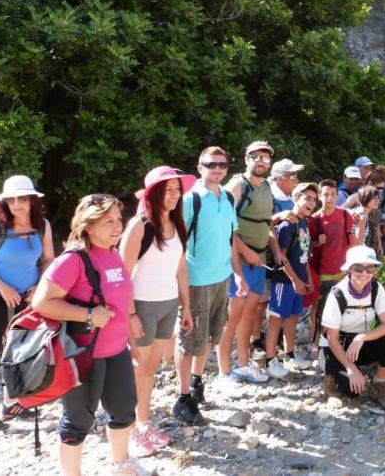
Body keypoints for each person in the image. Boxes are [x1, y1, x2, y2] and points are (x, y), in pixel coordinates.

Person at [32, 194, 147, 476]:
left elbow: (119, 304)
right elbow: (41, 303)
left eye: (119, 220)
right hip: (82, 355)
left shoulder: (113, 253)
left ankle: (121, 464)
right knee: (77, 422)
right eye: (108, 221)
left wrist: (131, 341)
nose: (117, 227)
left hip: (116, 350)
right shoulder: (73, 259)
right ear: (88, 226)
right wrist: (88, 315)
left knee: (124, 412)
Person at [120, 166, 195, 455]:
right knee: (136, 369)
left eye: (178, 189)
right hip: (141, 306)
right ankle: (127, 430)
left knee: (150, 368)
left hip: (167, 305)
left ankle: (143, 423)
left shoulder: (177, 224)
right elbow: (123, 273)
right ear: (154, 193)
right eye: (169, 189)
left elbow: (181, 269)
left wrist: (186, 306)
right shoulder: (139, 225)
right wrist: (129, 315)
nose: (175, 195)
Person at [0, 175, 54, 432]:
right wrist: (2, 287)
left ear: (32, 201)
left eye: (22, 199)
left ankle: (11, 404)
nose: (17, 204)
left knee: (20, 353)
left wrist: (40, 286)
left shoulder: (43, 226)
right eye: (12, 199)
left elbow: (49, 260)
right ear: (5, 202)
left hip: (28, 299)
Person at [174, 146, 239, 424]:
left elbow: (231, 239)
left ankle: (197, 381)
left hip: (221, 277)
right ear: (199, 167)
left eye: (222, 165)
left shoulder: (227, 198)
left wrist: (237, 274)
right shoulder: (191, 200)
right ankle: (183, 396)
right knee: (190, 341)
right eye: (211, 164)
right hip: (197, 280)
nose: (217, 169)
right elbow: (177, 243)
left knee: (211, 337)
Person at [220, 141, 288, 383]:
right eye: (256, 157)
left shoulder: (267, 186)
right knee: (233, 317)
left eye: (265, 158)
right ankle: (224, 372)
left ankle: (243, 364)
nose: (261, 161)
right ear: (246, 159)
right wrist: (245, 250)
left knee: (248, 315)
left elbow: (266, 223)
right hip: (238, 261)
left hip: (258, 261)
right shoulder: (239, 184)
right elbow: (223, 224)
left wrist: (275, 249)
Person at [321, 246, 385, 412]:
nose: (364, 273)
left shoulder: (376, 289)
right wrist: (351, 368)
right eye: (358, 268)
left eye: (370, 268)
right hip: (337, 345)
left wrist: (361, 337)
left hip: (360, 342)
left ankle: (378, 386)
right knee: (352, 392)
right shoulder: (337, 294)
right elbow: (331, 338)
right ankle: (331, 380)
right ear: (349, 269)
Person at [265, 182, 318, 379]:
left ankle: (289, 355)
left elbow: (304, 253)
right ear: (296, 199)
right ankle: (270, 360)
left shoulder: (304, 223)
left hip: (299, 280)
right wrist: (295, 280)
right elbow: (282, 257)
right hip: (285, 281)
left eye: (314, 199)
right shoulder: (287, 225)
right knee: (276, 320)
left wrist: (308, 278)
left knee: (293, 318)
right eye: (307, 198)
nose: (311, 203)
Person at [308, 179, 359, 361]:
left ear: (338, 196)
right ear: (320, 197)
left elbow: (353, 241)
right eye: (325, 195)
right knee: (318, 308)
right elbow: (306, 246)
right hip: (322, 271)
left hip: (343, 271)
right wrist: (315, 242)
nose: (329, 198)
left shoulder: (345, 215)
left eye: (332, 195)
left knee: (342, 308)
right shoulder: (314, 220)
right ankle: (315, 342)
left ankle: (336, 341)